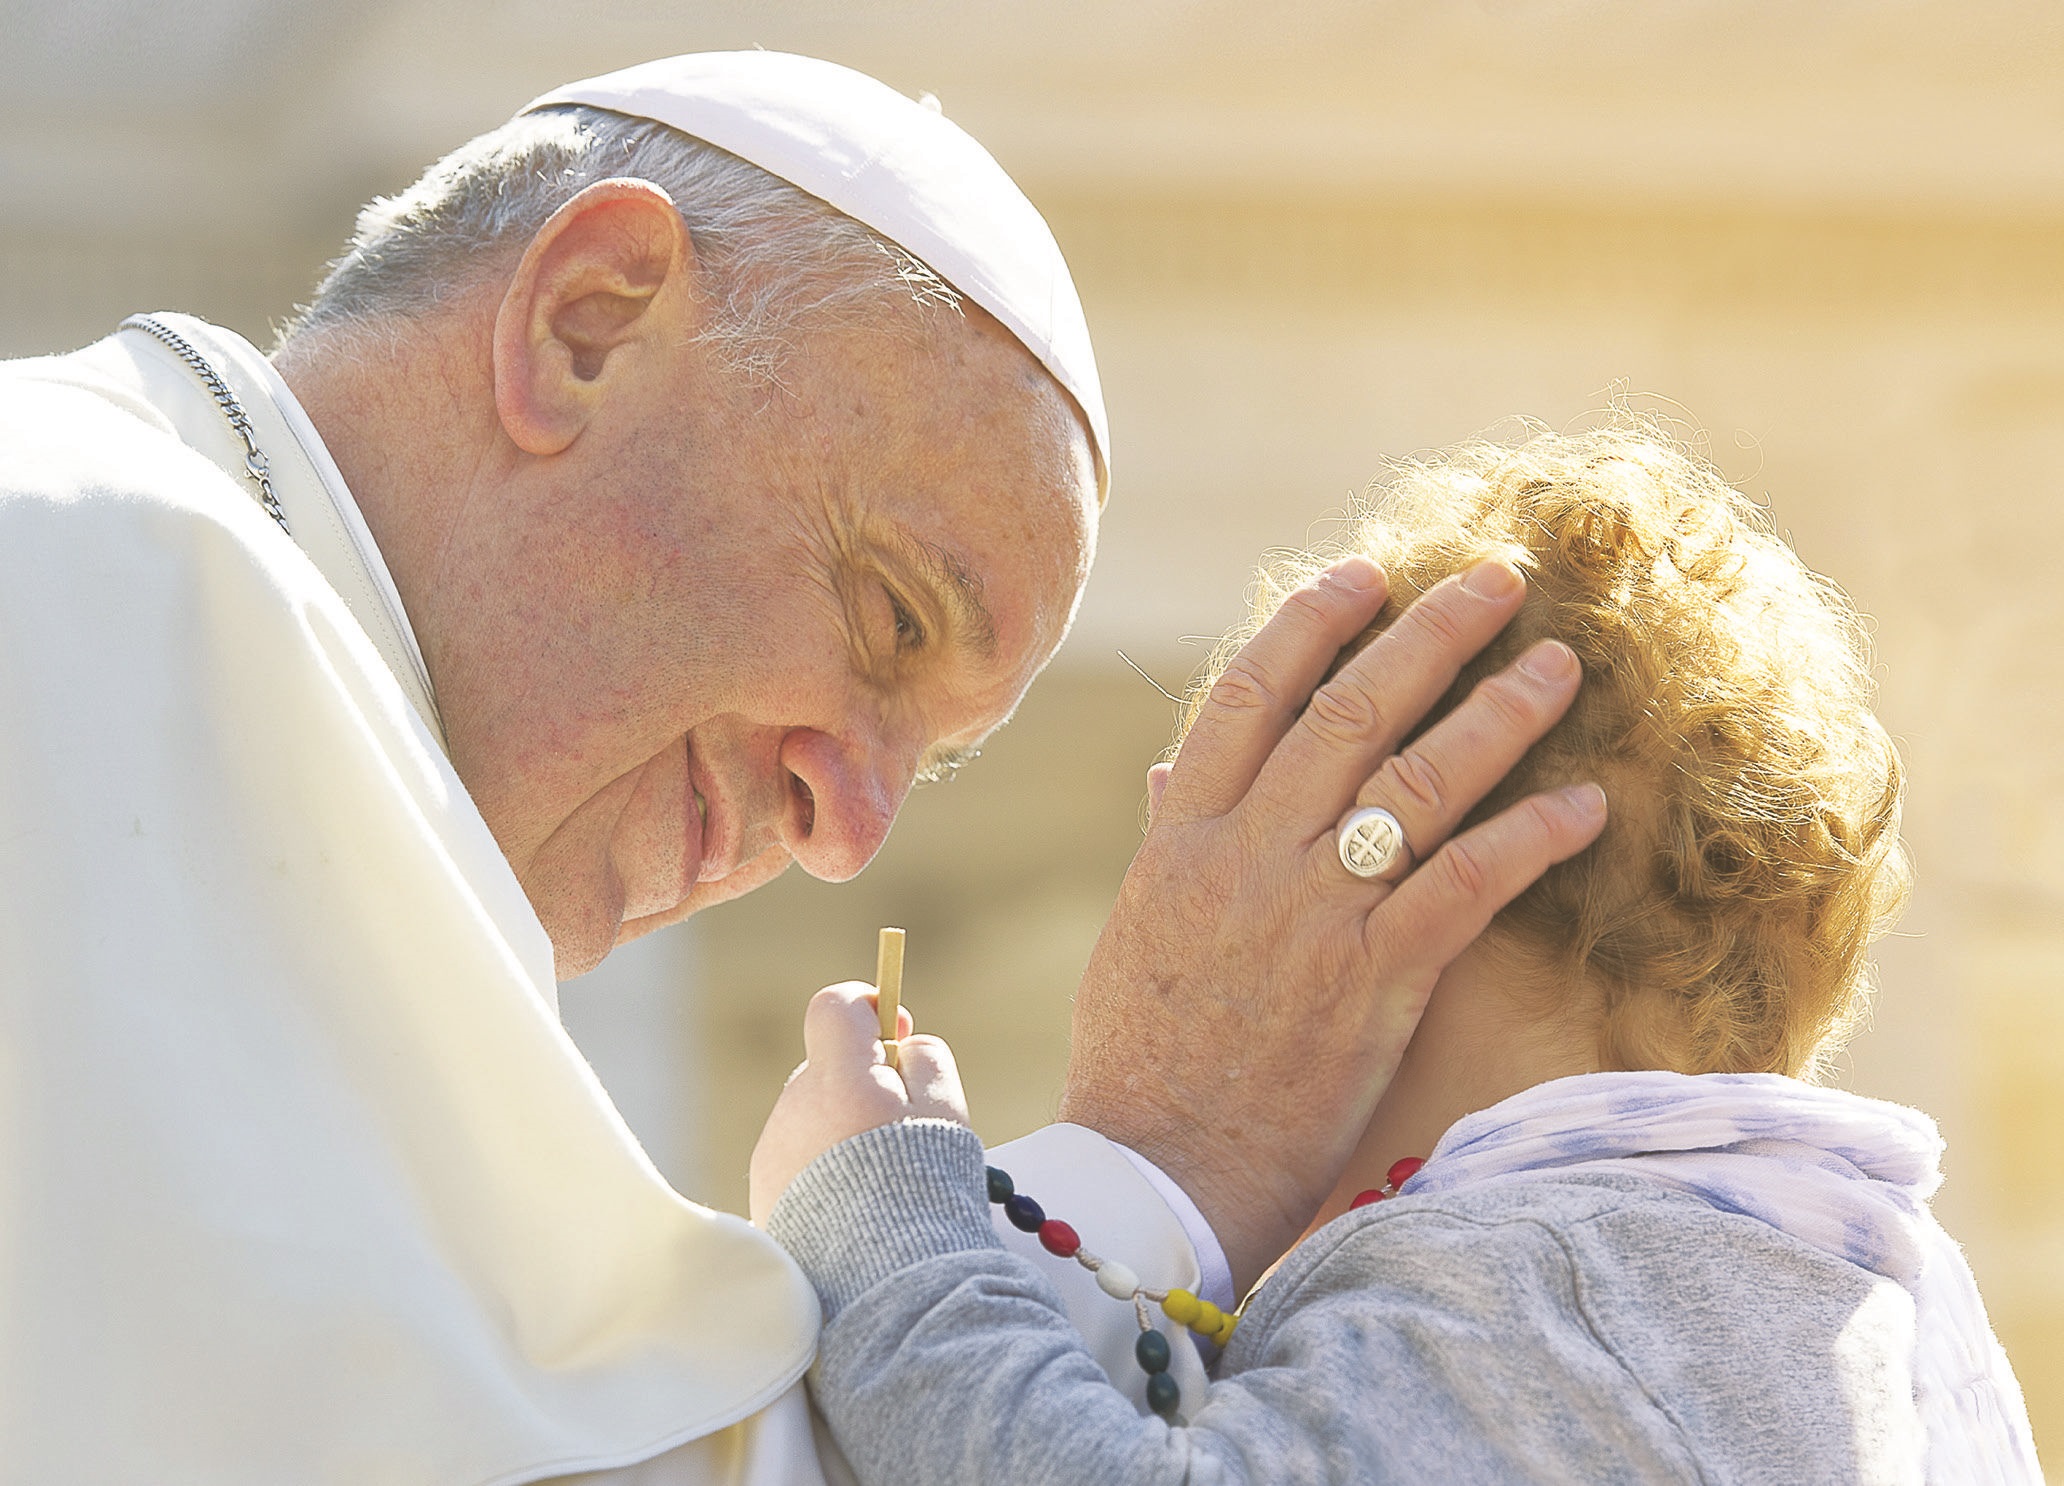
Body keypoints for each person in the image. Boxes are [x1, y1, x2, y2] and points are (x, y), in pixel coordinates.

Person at [0, 51, 1603, 1485]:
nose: (848, 829)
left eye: (935, 756)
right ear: (590, 321)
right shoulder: (86, 571)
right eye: (889, 616)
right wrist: (1156, 1163)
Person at [753, 422, 2044, 1482]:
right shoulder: (1816, 1283)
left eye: (1264, 855)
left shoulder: (1574, 1281)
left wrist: (883, 1204)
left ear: (1381, 893)